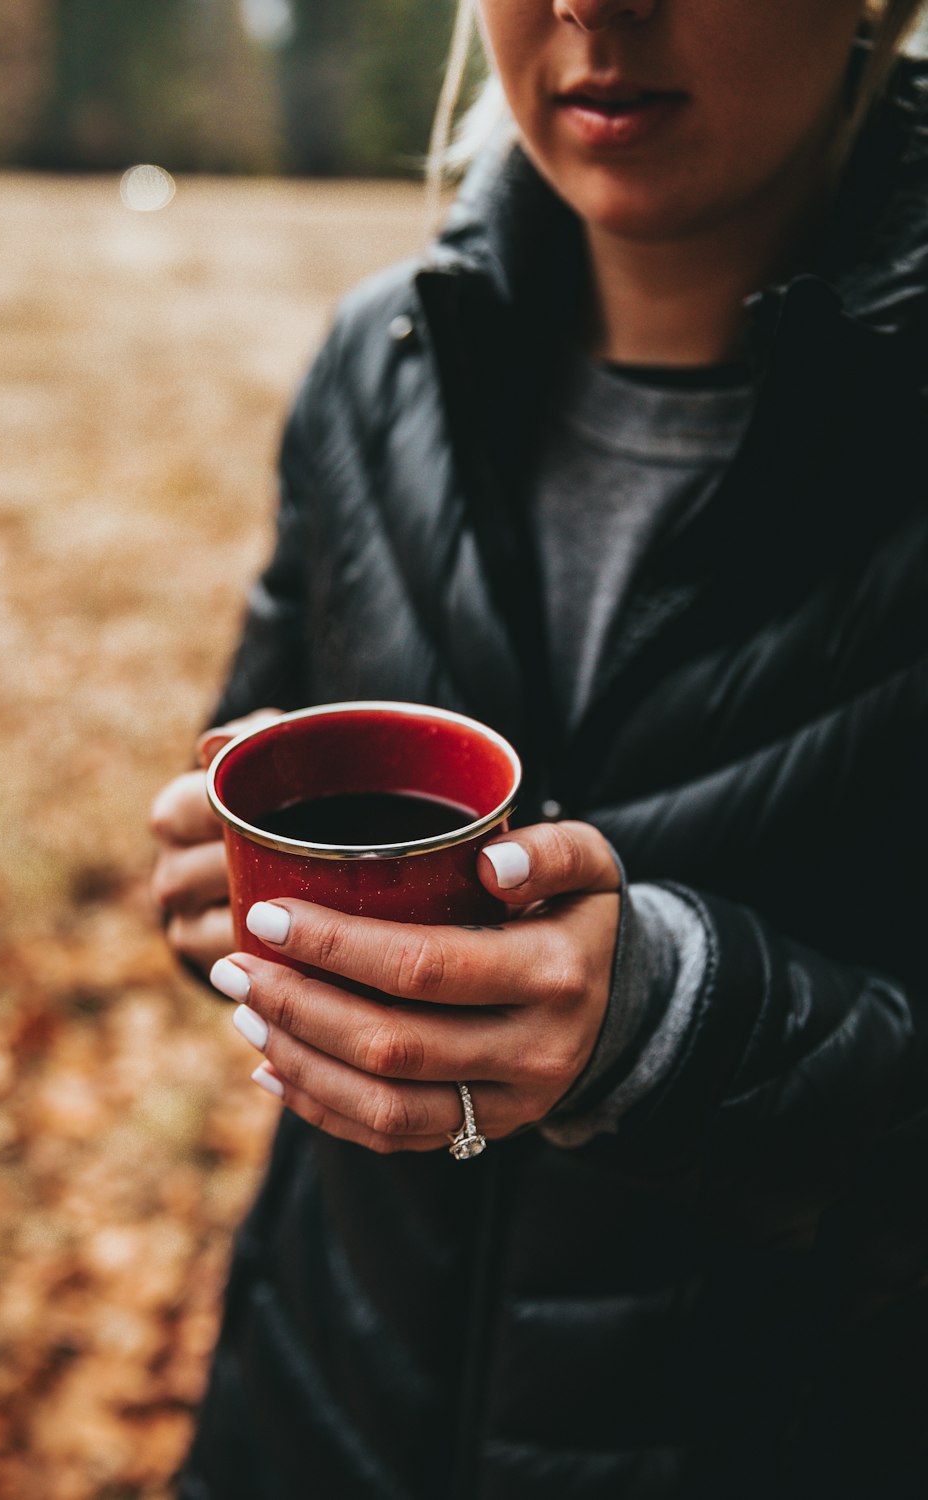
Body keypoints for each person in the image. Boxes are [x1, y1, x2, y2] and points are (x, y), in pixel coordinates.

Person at [150, 1, 928, 1495]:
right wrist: (219, 901)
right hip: (316, 1410)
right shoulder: (382, 364)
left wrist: (675, 1027)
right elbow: (244, 817)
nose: (593, 4)